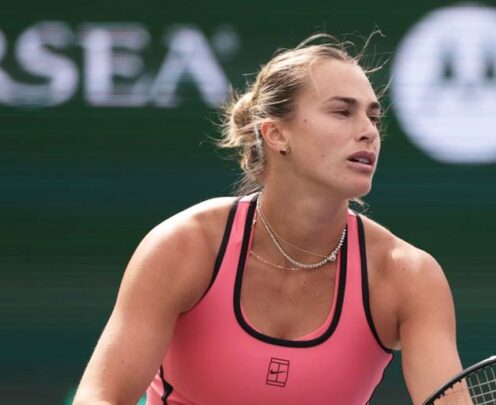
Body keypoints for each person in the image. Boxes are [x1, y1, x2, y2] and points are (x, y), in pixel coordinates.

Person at [74, 33, 463, 405]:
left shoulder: (409, 277)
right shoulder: (183, 246)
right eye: (342, 111)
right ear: (276, 135)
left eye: (373, 117)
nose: (368, 132)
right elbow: (99, 396)